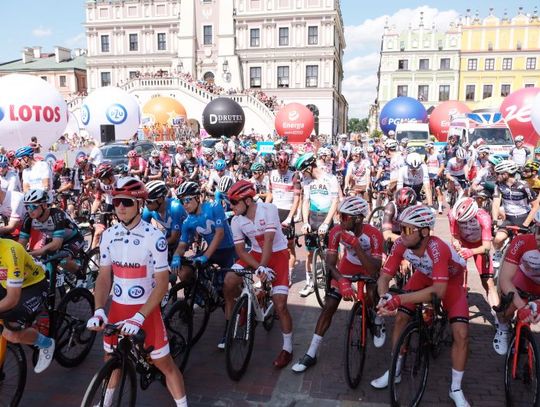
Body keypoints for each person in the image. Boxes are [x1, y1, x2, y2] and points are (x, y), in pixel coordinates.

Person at [86, 177, 187, 406]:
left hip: (146, 309)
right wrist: (99, 310)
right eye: (117, 201)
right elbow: (104, 277)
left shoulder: (154, 237)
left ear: (139, 204)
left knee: (165, 364)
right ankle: (105, 403)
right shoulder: (109, 236)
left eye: (127, 202)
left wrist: (140, 316)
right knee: (110, 359)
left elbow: (162, 283)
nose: (120, 206)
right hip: (118, 308)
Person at [372, 205, 470, 407]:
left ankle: (456, 388)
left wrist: (398, 300)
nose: (401, 234)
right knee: (401, 317)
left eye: (408, 230)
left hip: (450, 283)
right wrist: (385, 296)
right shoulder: (400, 243)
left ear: (424, 232)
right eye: (400, 228)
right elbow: (385, 276)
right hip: (423, 276)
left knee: (461, 334)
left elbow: (439, 291)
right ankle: (395, 369)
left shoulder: (437, 248)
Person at [292, 197, 384, 373]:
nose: (340, 220)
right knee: (330, 305)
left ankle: (377, 320)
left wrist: (356, 246)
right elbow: (330, 264)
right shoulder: (336, 231)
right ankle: (311, 353)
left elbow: (373, 270)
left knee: (372, 295)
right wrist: (342, 281)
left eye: (344, 216)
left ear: (357, 218)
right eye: (340, 216)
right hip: (347, 265)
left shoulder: (374, 234)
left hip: (368, 266)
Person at [225, 180, 294, 368]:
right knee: (229, 280)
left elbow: (270, 241)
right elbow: (240, 251)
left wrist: (262, 267)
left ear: (247, 201)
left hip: (278, 253)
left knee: (280, 304)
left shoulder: (269, 208)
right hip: (256, 253)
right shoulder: (236, 220)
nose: (230, 207)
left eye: (233, 202)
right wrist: (259, 267)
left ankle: (287, 348)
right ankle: (235, 317)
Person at [173, 181, 237, 349]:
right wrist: (176, 257)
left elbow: (220, 233)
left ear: (197, 197)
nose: (184, 204)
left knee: (227, 291)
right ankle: (203, 294)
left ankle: (229, 330)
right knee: (185, 271)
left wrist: (205, 256)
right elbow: (182, 244)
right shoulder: (188, 222)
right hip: (211, 252)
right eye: (181, 201)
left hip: (228, 251)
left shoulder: (214, 206)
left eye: (187, 200)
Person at [0, 238, 54, 373]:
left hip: (32, 285)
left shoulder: (11, 250)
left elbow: (12, 299)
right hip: (6, 283)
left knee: (12, 334)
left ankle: (46, 344)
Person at [494, 210, 540, 356]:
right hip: (523, 281)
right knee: (508, 306)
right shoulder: (522, 242)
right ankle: (503, 327)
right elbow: (505, 279)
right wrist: (522, 306)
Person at [296, 153, 339, 297]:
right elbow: (306, 201)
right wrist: (305, 222)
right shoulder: (307, 181)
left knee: (331, 254)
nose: (302, 174)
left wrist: (327, 223)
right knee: (309, 253)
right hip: (313, 218)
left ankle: (334, 282)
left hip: (326, 218)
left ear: (309, 167)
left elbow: (335, 201)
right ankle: (310, 283)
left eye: (303, 170)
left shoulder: (331, 178)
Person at [19, 189, 85, 278]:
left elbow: (56, 244)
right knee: (42, 263)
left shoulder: (56, 215)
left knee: (63, 261)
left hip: (74, 238)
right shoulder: (28, 218)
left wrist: (31, 254)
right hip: (54, 238)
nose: (30, 210)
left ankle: (81, 276)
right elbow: (21, 243)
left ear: (44, 205)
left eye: (33, 206)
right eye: (27, 207)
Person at [449, 197, 498, 316]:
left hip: (480, 244)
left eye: (465, 221)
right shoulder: (452, 214)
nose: (462, 224)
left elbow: (487, 247)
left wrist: (471, 252)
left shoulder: (484, 217)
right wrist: (457, 244)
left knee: (488, 283)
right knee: (454, 277)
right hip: (463, 242)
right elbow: (455, 236)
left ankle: (499, 320)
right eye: (460, 222)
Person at [491, 160, 537, 268]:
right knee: (497, 239)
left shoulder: (524, 186)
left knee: (523, 245)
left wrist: (525, 225)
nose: (496, 175)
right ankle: (498, 253)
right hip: (509, 218)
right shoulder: (499, 185)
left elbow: (535, 206)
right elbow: (496, 203)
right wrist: (494, 220)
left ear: (506, 174)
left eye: (498, 173)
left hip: (524, 218)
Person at [268, 151, 302, 285]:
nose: (282, 169)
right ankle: (270, 274)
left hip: (287, 211)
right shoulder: (271, 174)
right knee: (270, 245)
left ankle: (288, 273)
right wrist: (263, 208)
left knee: (289, 247)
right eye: (279, 166)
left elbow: (297, 198)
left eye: (285, 166)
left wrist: (290, 217)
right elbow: (270, 194)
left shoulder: (294, 175)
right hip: (274, 211)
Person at [143, 180, 186, 256]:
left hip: (184, 236)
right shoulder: (148, 210)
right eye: (144, 201)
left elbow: (174, 238)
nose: (146, 204)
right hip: (170, 233)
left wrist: (154, 245)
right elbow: (142, 231)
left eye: (149, 201)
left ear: (160, 199)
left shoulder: (175, 208)